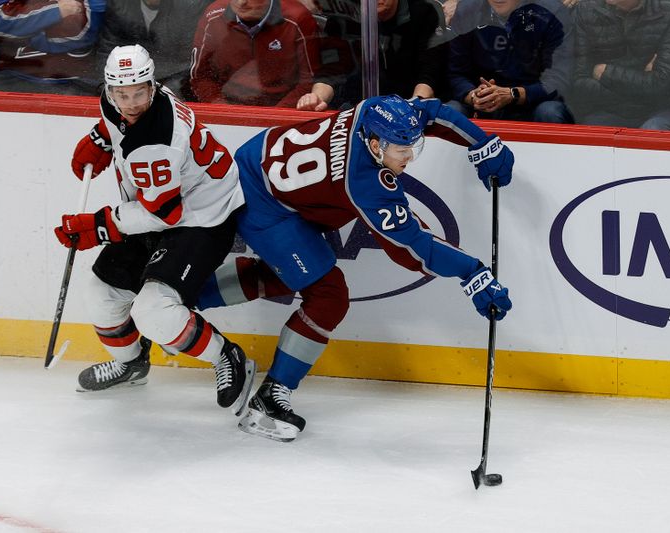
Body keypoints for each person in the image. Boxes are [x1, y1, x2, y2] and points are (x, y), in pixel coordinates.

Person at [196, 94, 514, 442]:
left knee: (294, 272)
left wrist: (483, 142)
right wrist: (472, 272)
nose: (409, 157)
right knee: (328, 295)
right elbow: (414, 249)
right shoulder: (366, 184)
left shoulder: (373, 110)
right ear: (376, 145)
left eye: (413, 147)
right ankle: (269, 398)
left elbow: (430, 112)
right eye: (401, 150)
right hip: (265, 203)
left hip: (263, 165)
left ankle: (183, 300)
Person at [54, 45, 256, 416]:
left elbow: (164, 214)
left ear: (152, 86)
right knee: (102, 292)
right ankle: (132, 364)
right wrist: (101, 138)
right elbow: (118, 121)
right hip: (159, 204)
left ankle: (228, 356)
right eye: (121, 94)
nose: (130, 103)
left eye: (138, 93)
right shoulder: (126, 101)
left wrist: (99, 226)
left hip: (201, 217)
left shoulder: (157, 141)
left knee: (153, 311)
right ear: (109, 89)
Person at [296, 0, 452, 111]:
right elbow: (332, 70)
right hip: (361, 106)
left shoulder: (425, 10)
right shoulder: (344, 13)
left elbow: (429, 74)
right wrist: (317, 98)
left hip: (415, 102)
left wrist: (412, 108)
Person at [571, 0, 670, 130]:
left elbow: (663, 83)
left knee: (652, 131)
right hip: (613, 109)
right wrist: (642, 79)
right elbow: (579, 82)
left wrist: (605, 72)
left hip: (664, 107)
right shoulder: (586, 9)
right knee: (591, 132)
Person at [446, 0, 575, 124]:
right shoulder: (467, 10)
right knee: (450, 112)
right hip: (481, 102)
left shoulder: (552, 12)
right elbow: (456, 72)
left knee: (550, 112)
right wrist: (474, 95)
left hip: (532, 102)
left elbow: (559, 80)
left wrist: (513, 94)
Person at [186, 0, 319, 107]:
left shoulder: (298, 18)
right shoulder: (213, 16)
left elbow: (310, 80)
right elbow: (200, 76)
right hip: (226, 105)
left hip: (282, 109)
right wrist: (221, 106)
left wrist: (275, 115)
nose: (241, 2)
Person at [0, 0, 106, 94]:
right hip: (11, 76)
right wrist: (56, 10)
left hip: (73, 82)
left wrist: (31, 31)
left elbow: (82, 33)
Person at [95, 0, 212, 96]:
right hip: (128, 82)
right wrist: (110, 86)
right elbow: (108, 51)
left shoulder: (191, 5)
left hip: (172, 86)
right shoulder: (119, 4)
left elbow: (190, 62)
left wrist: (156, 89)